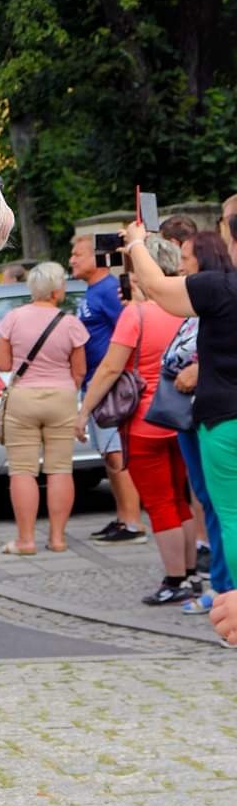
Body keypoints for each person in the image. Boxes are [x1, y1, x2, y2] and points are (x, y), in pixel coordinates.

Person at [123, 215, 237, 629]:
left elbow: (156, 288)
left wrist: (136, 243)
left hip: (225, 418)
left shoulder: (220, 287)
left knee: (231, 514)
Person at [76, 235, 196, 605]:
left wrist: (83, 412)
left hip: (145, 421)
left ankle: (174, 579)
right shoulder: (187, 308)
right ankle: (192, 573)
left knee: (160, 503)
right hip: (182, 416)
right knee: (182, 499)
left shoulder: (137, 314)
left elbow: (110, 368)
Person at [0, 262, 88, 554]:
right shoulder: (70, 323)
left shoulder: (12, 318)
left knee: (22, 470)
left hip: (23, 398)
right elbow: (80, 370)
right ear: (56, 291)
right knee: (60, 469)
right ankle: (58, 539)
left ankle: (25, 540)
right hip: (61, 397)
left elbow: (3, 364)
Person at [170, 231, 234, 613]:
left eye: (185, 258)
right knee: (209, 501)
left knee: (221, 506)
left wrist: (197, 369)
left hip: (215, 414)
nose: (180, 265)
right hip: (198, 413)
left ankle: (225, 589)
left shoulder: (213, 296)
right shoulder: (201, 298)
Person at [68, 233, 146, 545]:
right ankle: (123, 517)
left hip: (111, 386)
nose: (72, 260)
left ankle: (133, 522)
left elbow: (130, 331)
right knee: (109, 456)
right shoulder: (93, 291)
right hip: (95, 384)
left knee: (116, 455)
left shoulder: (109, 291)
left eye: (78, 254)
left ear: (97, 258)